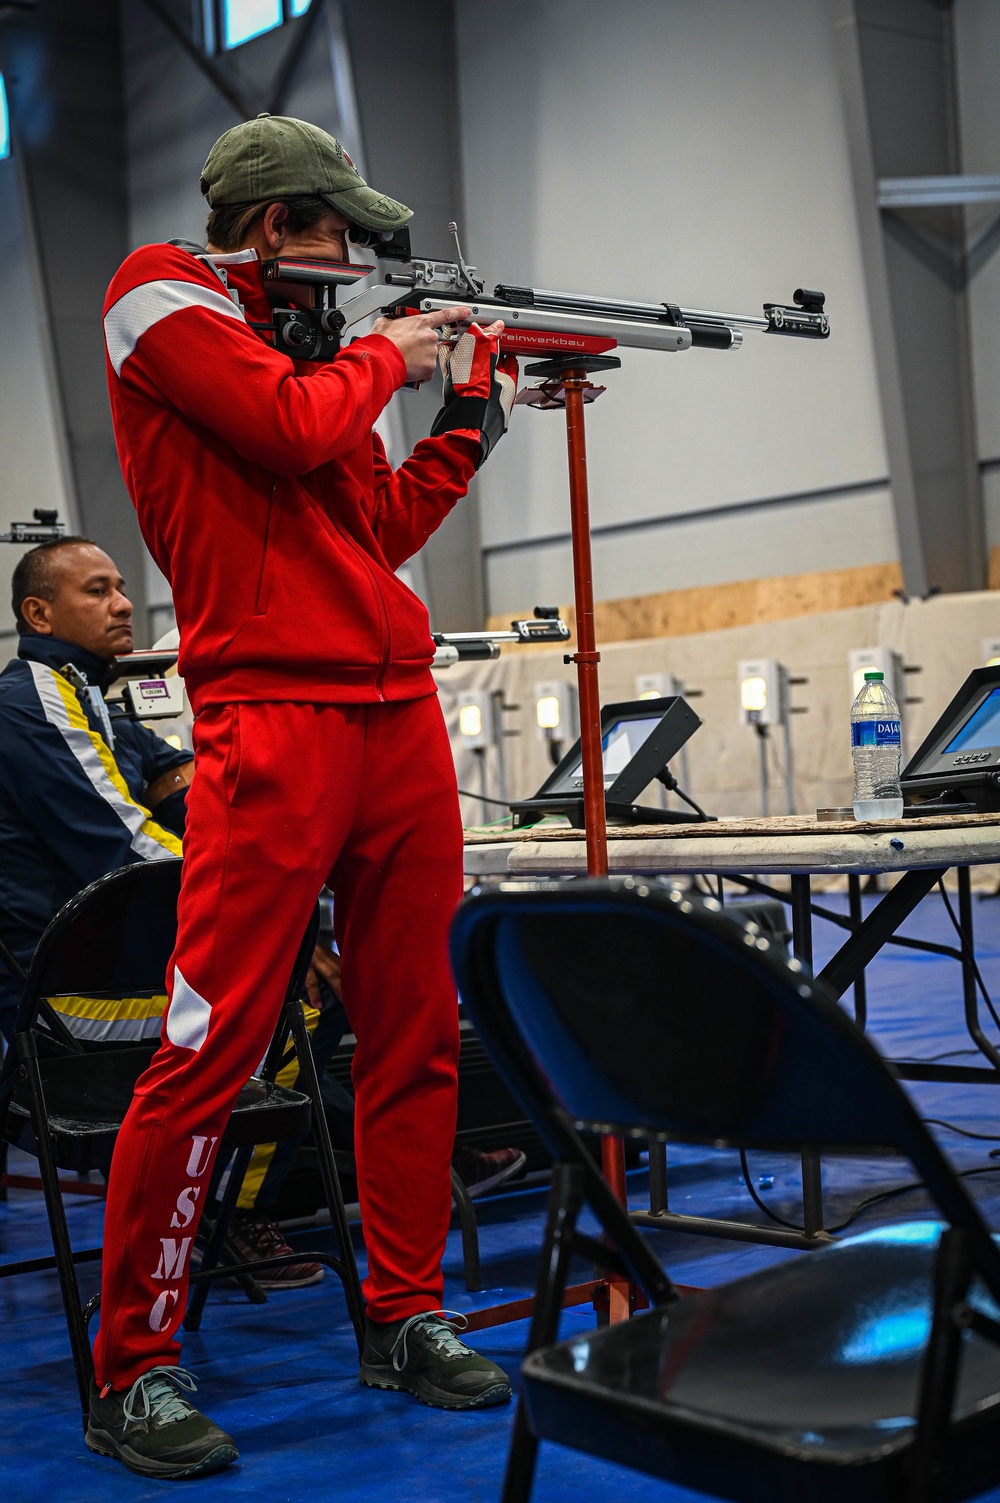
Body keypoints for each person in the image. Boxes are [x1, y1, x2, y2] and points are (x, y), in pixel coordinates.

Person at [89, 113, 519, 1477]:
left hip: (394, 716)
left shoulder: (308, 348)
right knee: (208, 1048)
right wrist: (401, 352)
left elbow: (372, 526)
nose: (354, 264)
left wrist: (464, 419)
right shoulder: (157, 293)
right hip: (271, 723)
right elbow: (285, 434)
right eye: (338, 235)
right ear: (273, 223)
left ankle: (403, 1310)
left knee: (417, 1030)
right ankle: (134, 1366)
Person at [0, 537, 190, 1045]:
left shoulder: (92, 699)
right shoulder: (32, 701)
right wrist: (253, 886)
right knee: (283, 1014)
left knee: (299, 998)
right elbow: (128, 851)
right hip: (61, 998)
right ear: (39, 615)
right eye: (98, 590)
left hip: (110, 962)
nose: (124, 604)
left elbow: (189, 786)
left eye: (122, 589)